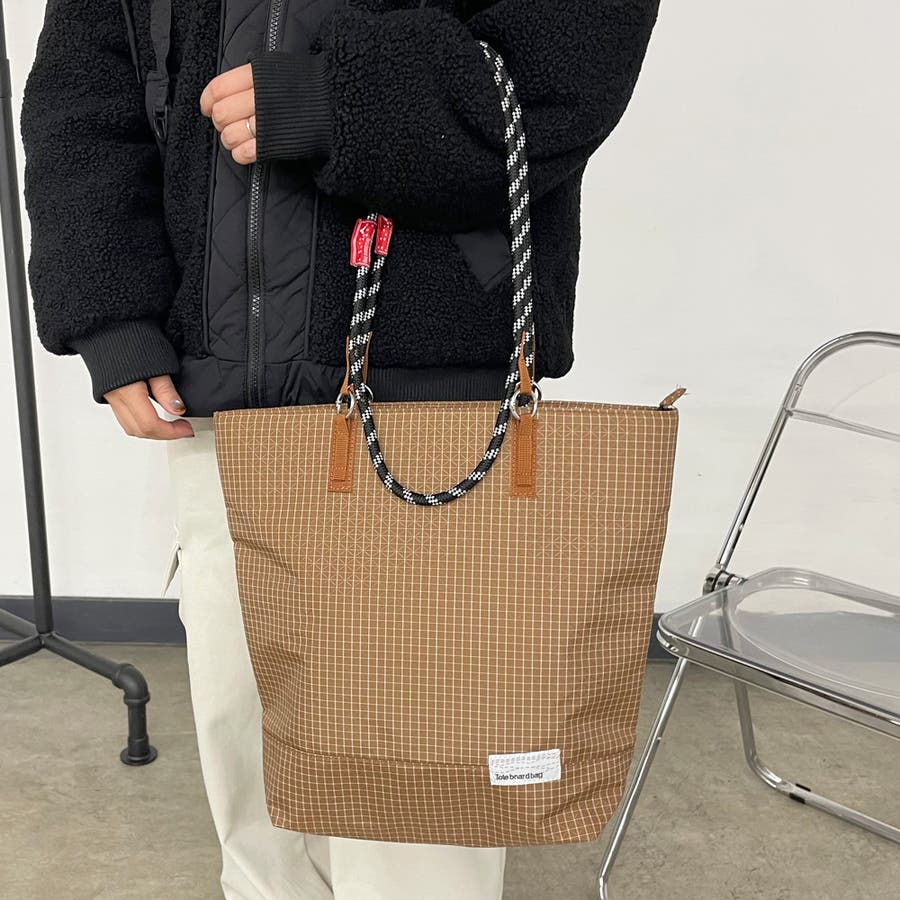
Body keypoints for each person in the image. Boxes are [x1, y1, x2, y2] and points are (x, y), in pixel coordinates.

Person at [19, 0, 660, 897]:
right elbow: (87, 89)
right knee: (252, 765)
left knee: (419, 802)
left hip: (429, 388)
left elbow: (570, 61)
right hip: (223, 400)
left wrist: (343, 101)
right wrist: (109, 313)